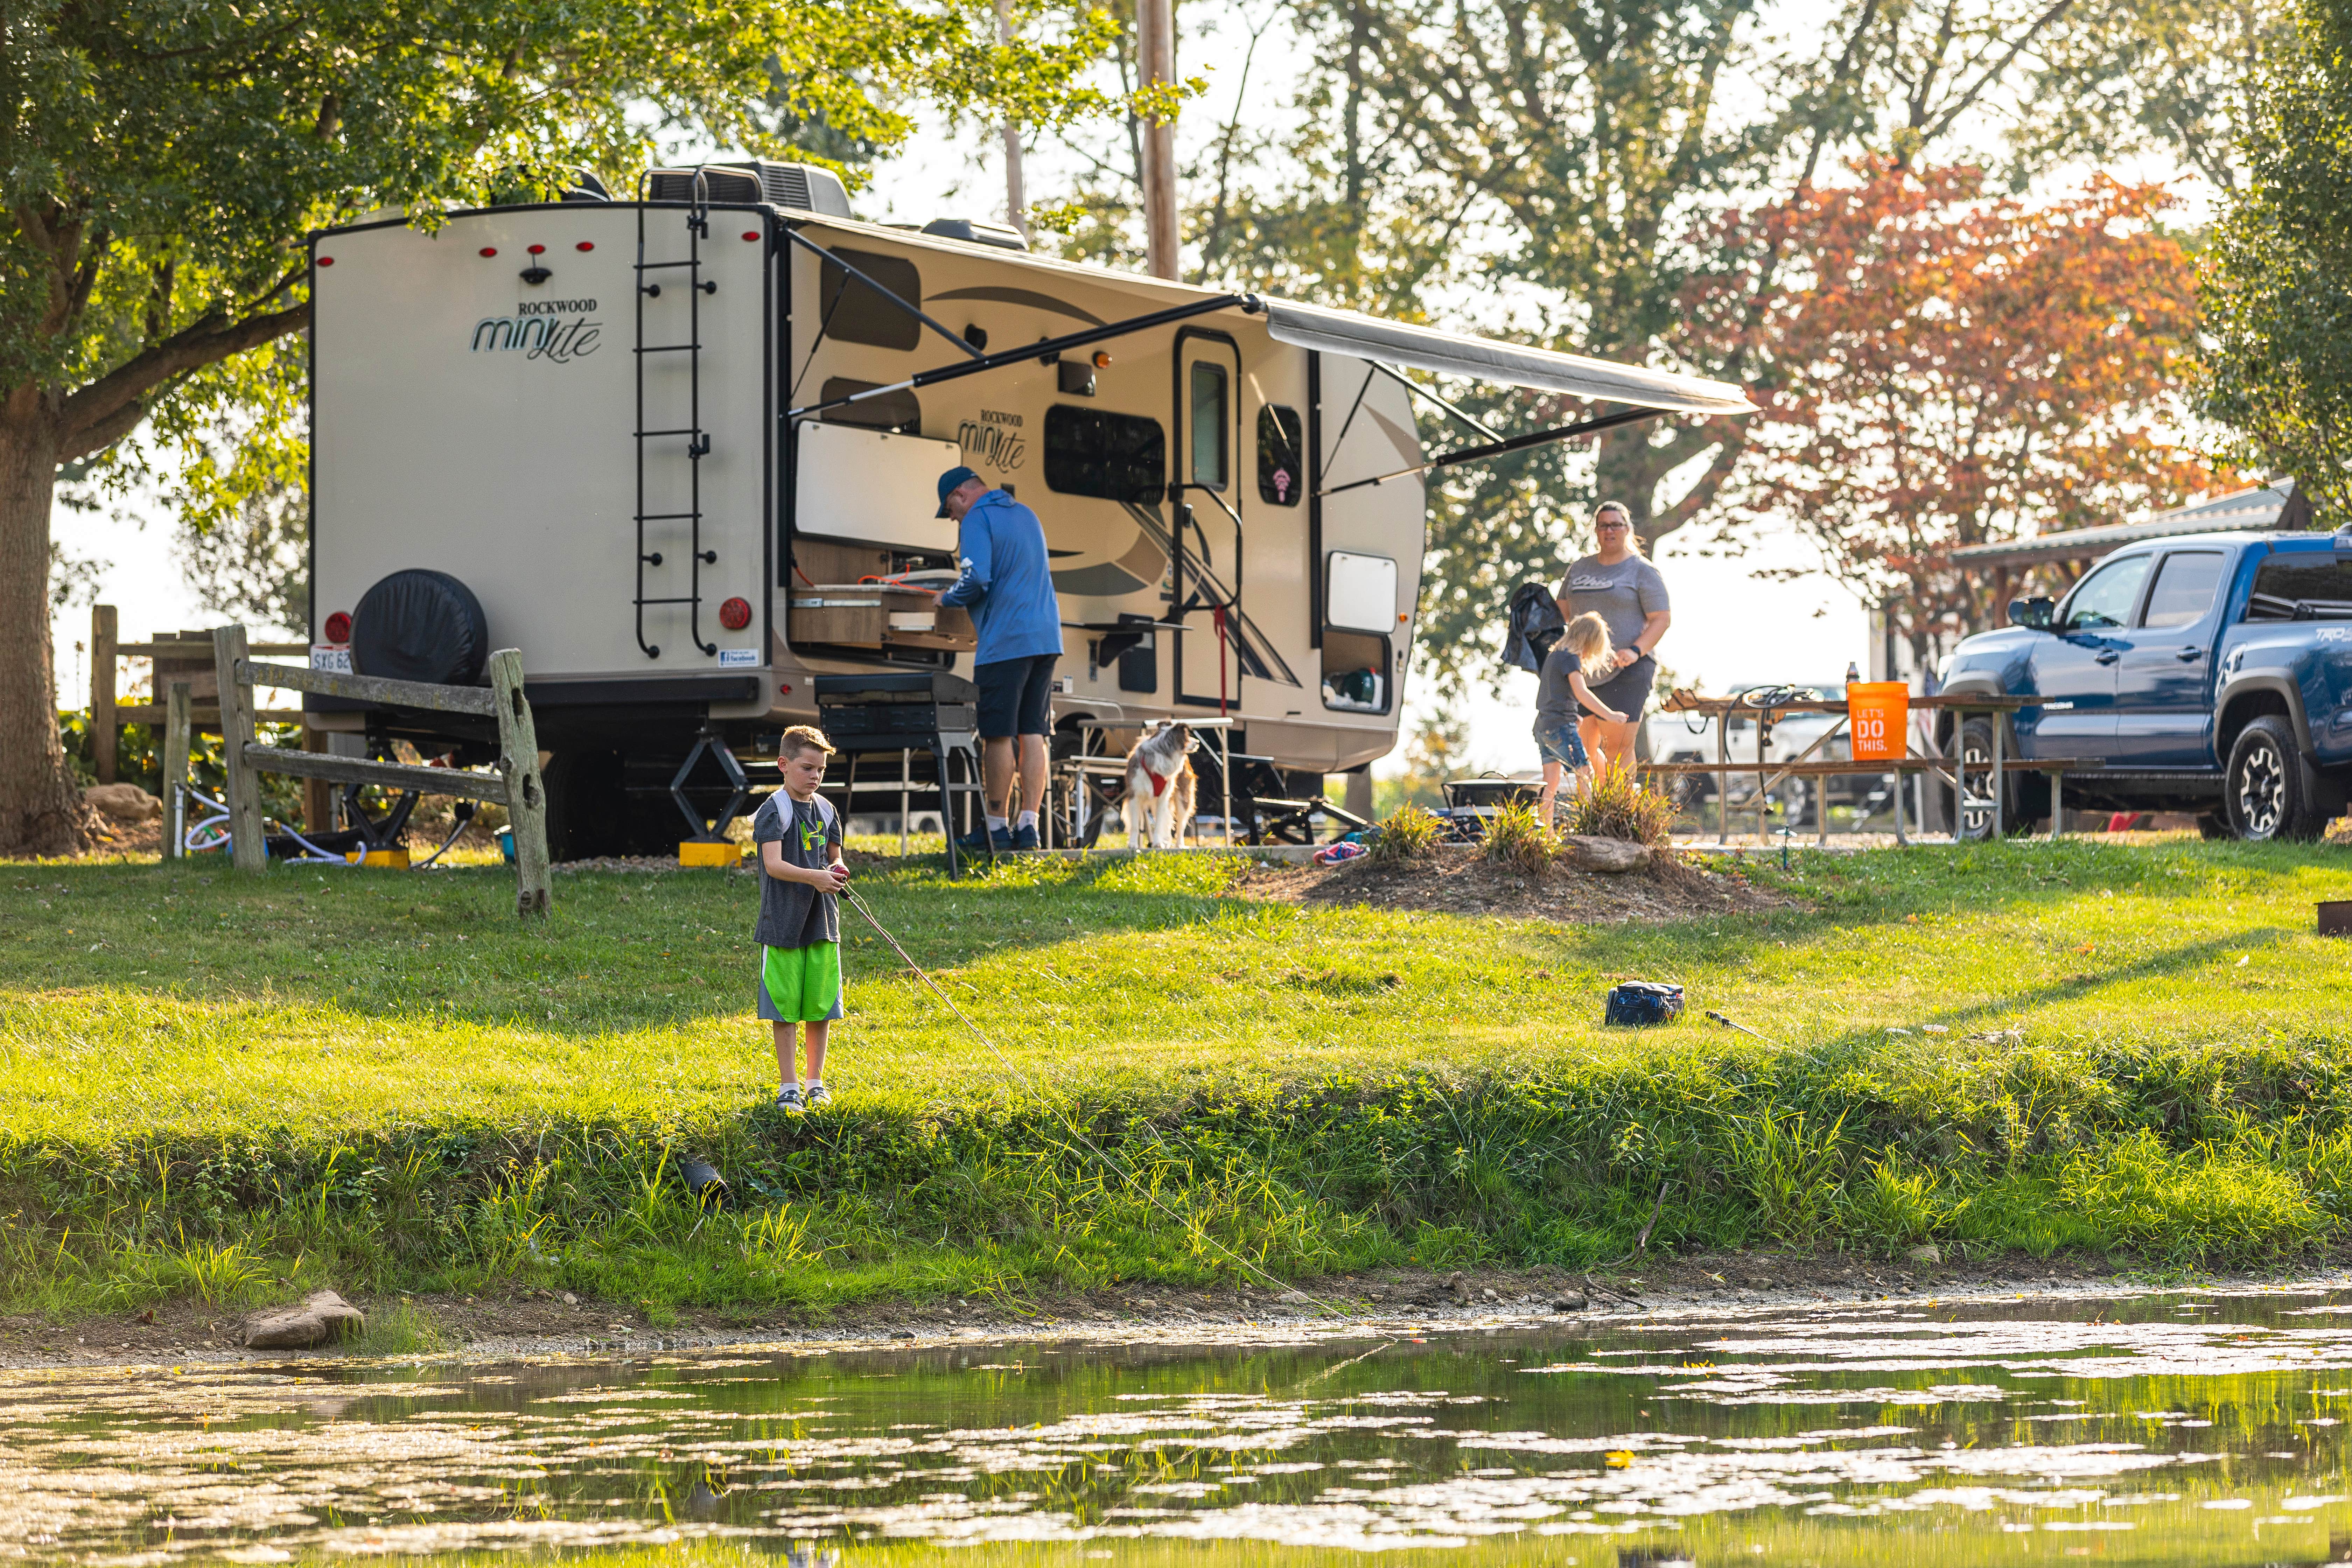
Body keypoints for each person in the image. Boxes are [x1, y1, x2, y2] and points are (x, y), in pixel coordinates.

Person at [935, 465, 1063, 852]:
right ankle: (1029, 826)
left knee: (998, 734)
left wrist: (946, 598)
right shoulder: (1027, 514)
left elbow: (977, 579)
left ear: (960, 495)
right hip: (1046, 637)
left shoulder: (977, 519)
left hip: (1006, 641)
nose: (954, 518)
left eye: (950, 510)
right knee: (1034, 732)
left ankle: (994, 827)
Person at [752, 725, 849, 1114]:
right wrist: (816, 877)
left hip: (823, 923)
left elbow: (835, 854)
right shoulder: (773, 810)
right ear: (783, 764)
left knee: (820, 1006)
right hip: (783, 925)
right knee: (786, 1007)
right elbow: (773, 865)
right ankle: (789, 1085)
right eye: (807, 767)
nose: (815, 776)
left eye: (821, 770)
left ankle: (816, 1083)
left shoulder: (827, 809)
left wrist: (838, 870)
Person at [1556, 500, 1671, 775]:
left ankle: (1619, 814)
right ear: (1596, 531)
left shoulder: (1642, 570)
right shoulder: (1579, 569)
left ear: (1627, 529)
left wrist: (1636, 650)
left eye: (1616, 525)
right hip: (1582, 671)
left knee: (1617, 749)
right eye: (1604, 525)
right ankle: (1596, 811)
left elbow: (1662, 619)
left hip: (1626, 669)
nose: (1610, 531)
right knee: (1581, 749)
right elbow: (1560, 614)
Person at [1533, 613, 1627, 822]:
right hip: (1560, 726)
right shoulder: (1570, 658)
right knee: (1586, 773)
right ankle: (1589, 824)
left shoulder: (1555, 655)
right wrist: (1611, 715)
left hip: (1543, 725)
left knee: (1551, 782)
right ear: (1590, 641)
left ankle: (1545, 834)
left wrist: (1572, 715)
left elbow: (1554, 693)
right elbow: (1581, 693)